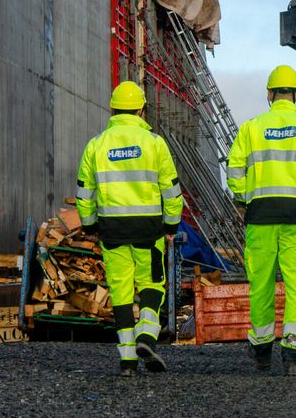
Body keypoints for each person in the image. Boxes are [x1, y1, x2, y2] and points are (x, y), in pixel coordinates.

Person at [226, 65, 296, 376]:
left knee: (261, 282)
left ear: (269, 94)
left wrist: (245, 197)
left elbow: (234, 171)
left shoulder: (251, 128)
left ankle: (261, 349)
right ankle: (293, 351)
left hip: (261, 214)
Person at [76, 80, 183, 377]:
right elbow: (171, 191)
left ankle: (127, 362)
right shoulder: (154, 143)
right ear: (141, 109)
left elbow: (85, 192)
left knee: (121, 292)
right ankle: (146, 338)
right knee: (151, 284)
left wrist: (89, 224)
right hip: (148, 229)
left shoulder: (96, 145)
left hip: (111, 230)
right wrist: (172, 223)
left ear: (113, 108)